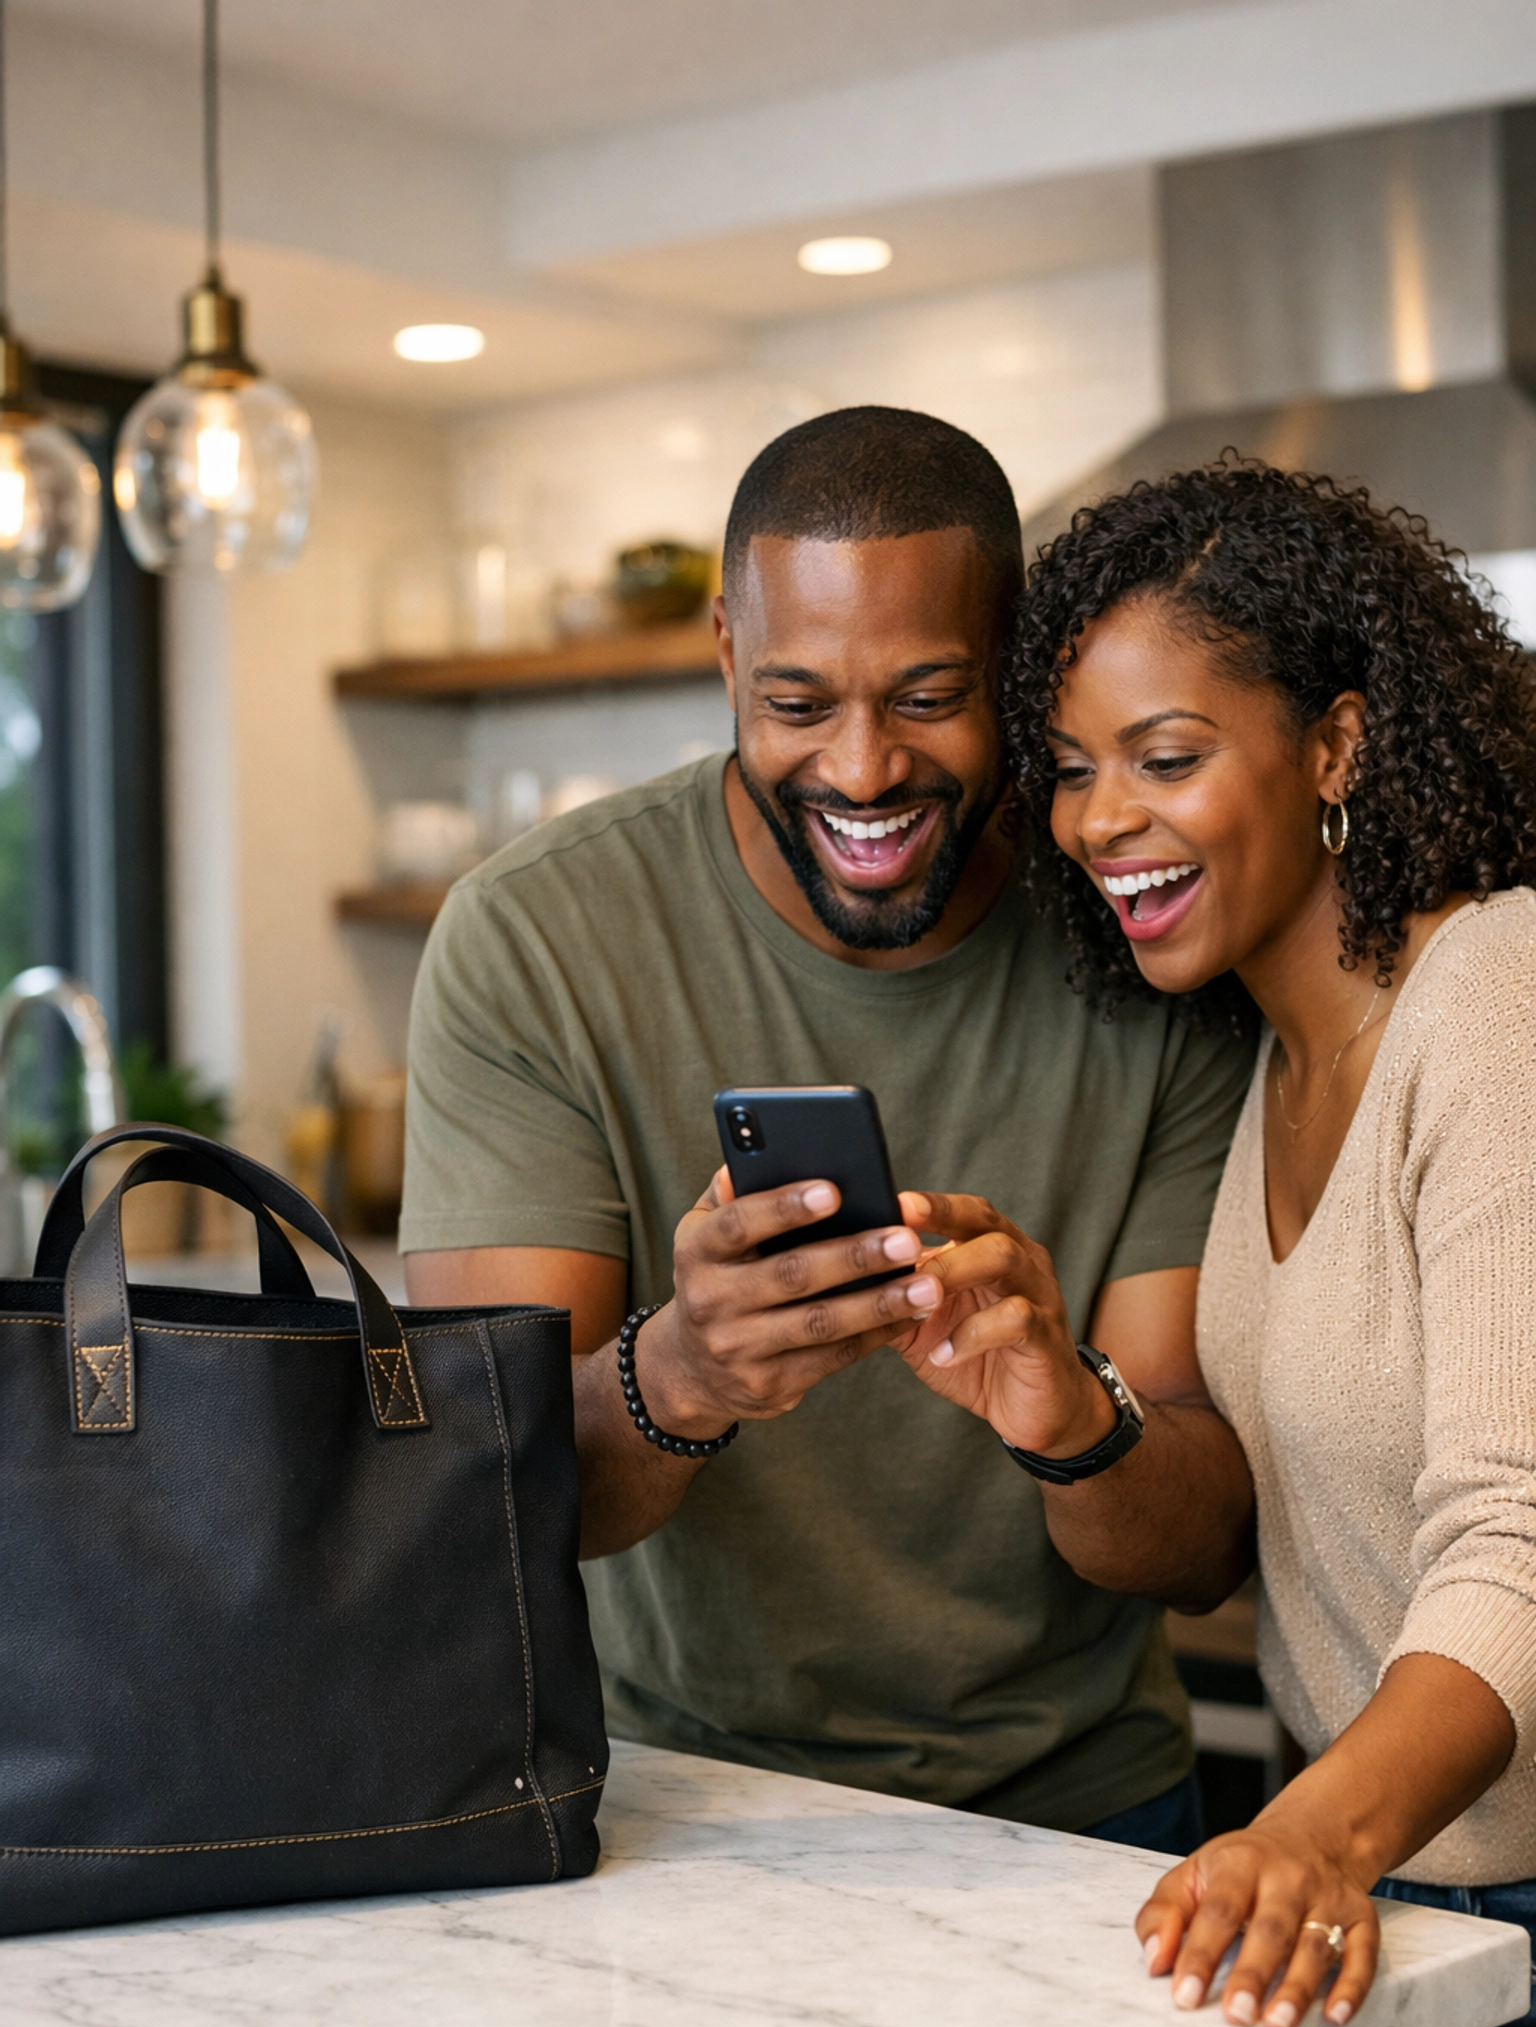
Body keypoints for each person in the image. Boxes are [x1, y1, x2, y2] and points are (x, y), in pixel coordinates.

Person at [402, 406, 1256, 1854]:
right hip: (677, 1815)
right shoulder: (536, 936)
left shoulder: (1145, 940)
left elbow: (1197, 1549)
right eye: (798, 705)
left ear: (1020, 662)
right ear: (728, 650)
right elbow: (479, 1494)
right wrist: (683, 1369)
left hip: (1088, 1827)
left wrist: (1070, 1414)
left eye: (930, 697)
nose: (862, 773)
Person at [1009, 457, 1536, 2027]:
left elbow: (1520, 1541)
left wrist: (1300, 1835)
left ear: (1334, 746)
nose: (1099, 820)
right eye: (1071, 768)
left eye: (1163, 755)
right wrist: (1049, 1397)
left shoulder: (1501, 993)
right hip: (1414, 1906)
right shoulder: (1267, 1065)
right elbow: (1282, 1539)